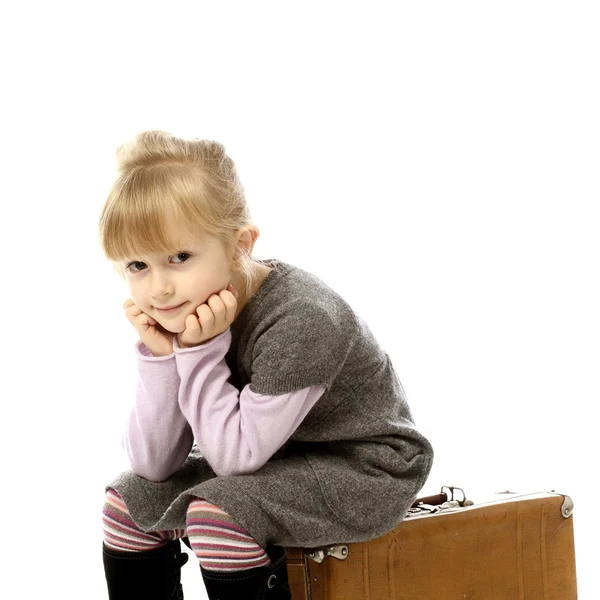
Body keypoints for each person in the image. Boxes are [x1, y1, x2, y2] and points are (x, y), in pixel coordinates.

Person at [98, 130, 434, 600]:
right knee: (129, 501)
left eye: (180, 257)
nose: (159, 289)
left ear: (240, 245)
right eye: (137, 265)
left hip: (364, 466)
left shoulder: (302, 318)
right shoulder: (191, 308)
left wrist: (198, 353)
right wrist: (161, 357)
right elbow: (153, 464)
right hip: (273, 457)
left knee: (219, 512)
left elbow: (234, 461)